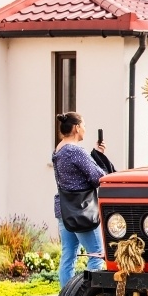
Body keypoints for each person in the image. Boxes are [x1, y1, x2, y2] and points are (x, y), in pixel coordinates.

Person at [52, 112, 108, 286]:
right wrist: (101, 161)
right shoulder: (76, 151)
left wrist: (95, 154)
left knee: (68, 256)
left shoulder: (59, 149)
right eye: (83, 125)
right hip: (82, 210)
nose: (85, 129)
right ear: (76, 127)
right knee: (97, 254)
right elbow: (97, 177)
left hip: (64, 208)